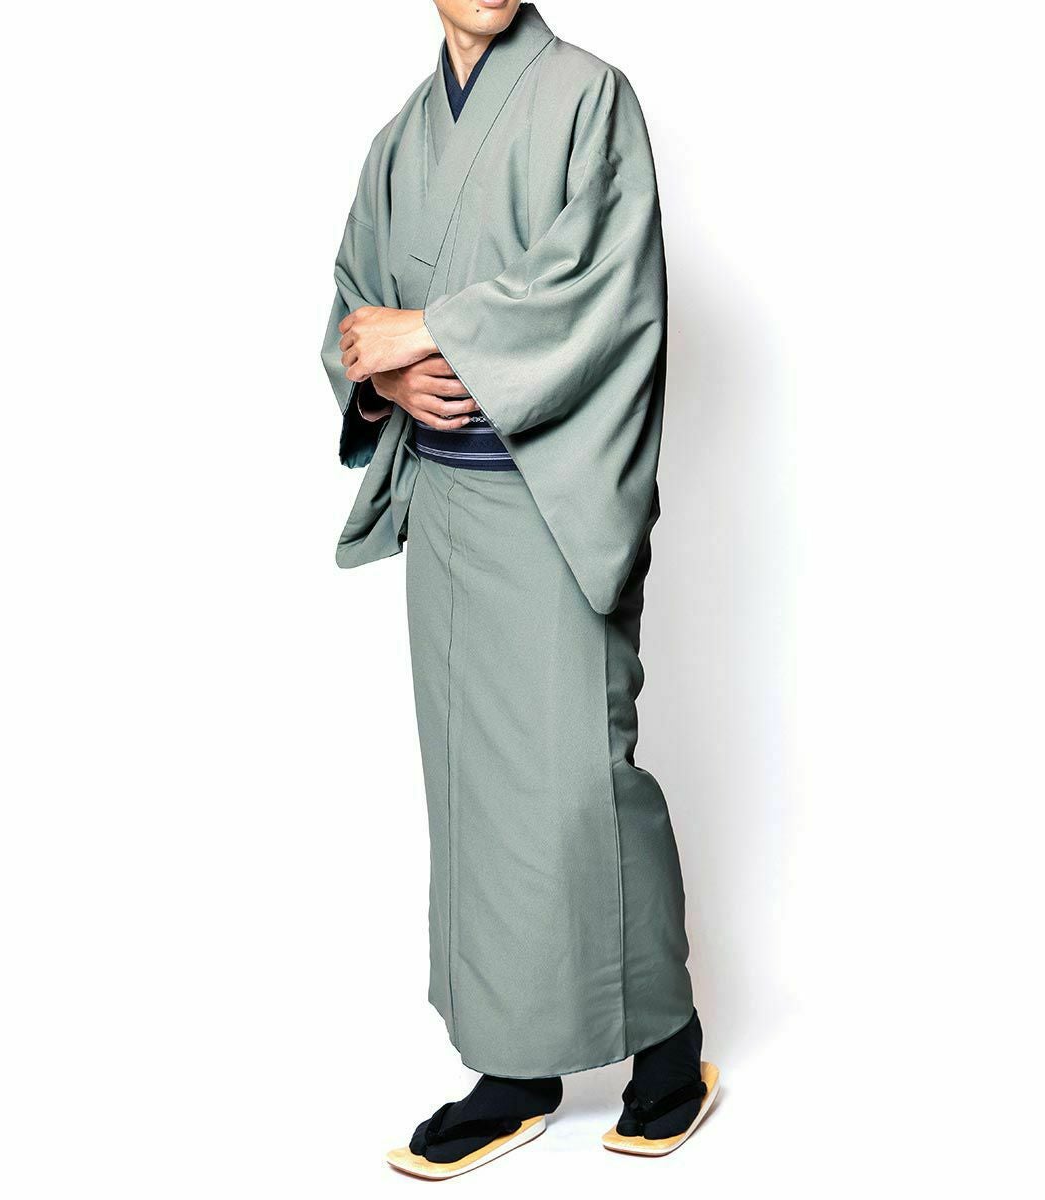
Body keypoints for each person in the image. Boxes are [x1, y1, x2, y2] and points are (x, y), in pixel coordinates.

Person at [321, 1, 717, 1178]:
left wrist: (430, 328)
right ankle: (513, 1067)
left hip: (548, 497)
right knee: (476, 798)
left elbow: (597, 289)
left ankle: (668, 1050)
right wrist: (386, 380)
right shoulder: (402, 137)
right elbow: (354, 310)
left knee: (582, 783)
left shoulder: (589, 95)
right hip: (445, 504)